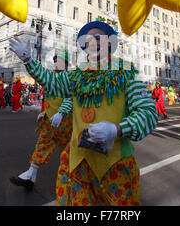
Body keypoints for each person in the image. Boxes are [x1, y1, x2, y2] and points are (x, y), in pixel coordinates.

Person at [9, 21, 158, 206]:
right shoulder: (77, 74)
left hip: (115, 165)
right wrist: (28, 60)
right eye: (88, 40)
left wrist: (117, 130)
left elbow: (148, 112)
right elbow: (52, 82)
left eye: (98, 38)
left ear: (110, 42)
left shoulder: (126, 72)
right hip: (77, 161)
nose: (93, 43)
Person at [10, 52, 73, 190]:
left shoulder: (69, 77)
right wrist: (44, 112)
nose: (57, 63)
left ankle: (76, 177)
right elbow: (51, 100)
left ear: (67, 64)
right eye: (55, 60)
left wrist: (62, 112)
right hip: (50, 121)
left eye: (60, 61)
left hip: (65, 123)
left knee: (69, 149)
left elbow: (71, 97)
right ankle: (31, 174)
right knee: (42, 144)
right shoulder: (52, 77)